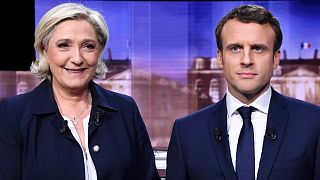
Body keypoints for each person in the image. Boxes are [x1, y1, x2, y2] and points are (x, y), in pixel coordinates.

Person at [0, 3, 159, 180]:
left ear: (99, 52)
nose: (77, 58)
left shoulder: (125, 109)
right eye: (63, 45)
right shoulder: (13, 114)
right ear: (45, 51)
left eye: (88, 46)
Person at [166, 4, 320, 180]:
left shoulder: (314, 124)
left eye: (258, 48)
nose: (246, 60)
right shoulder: (187, 132)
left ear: (276, 58)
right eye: (235, 48)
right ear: (220, 58)